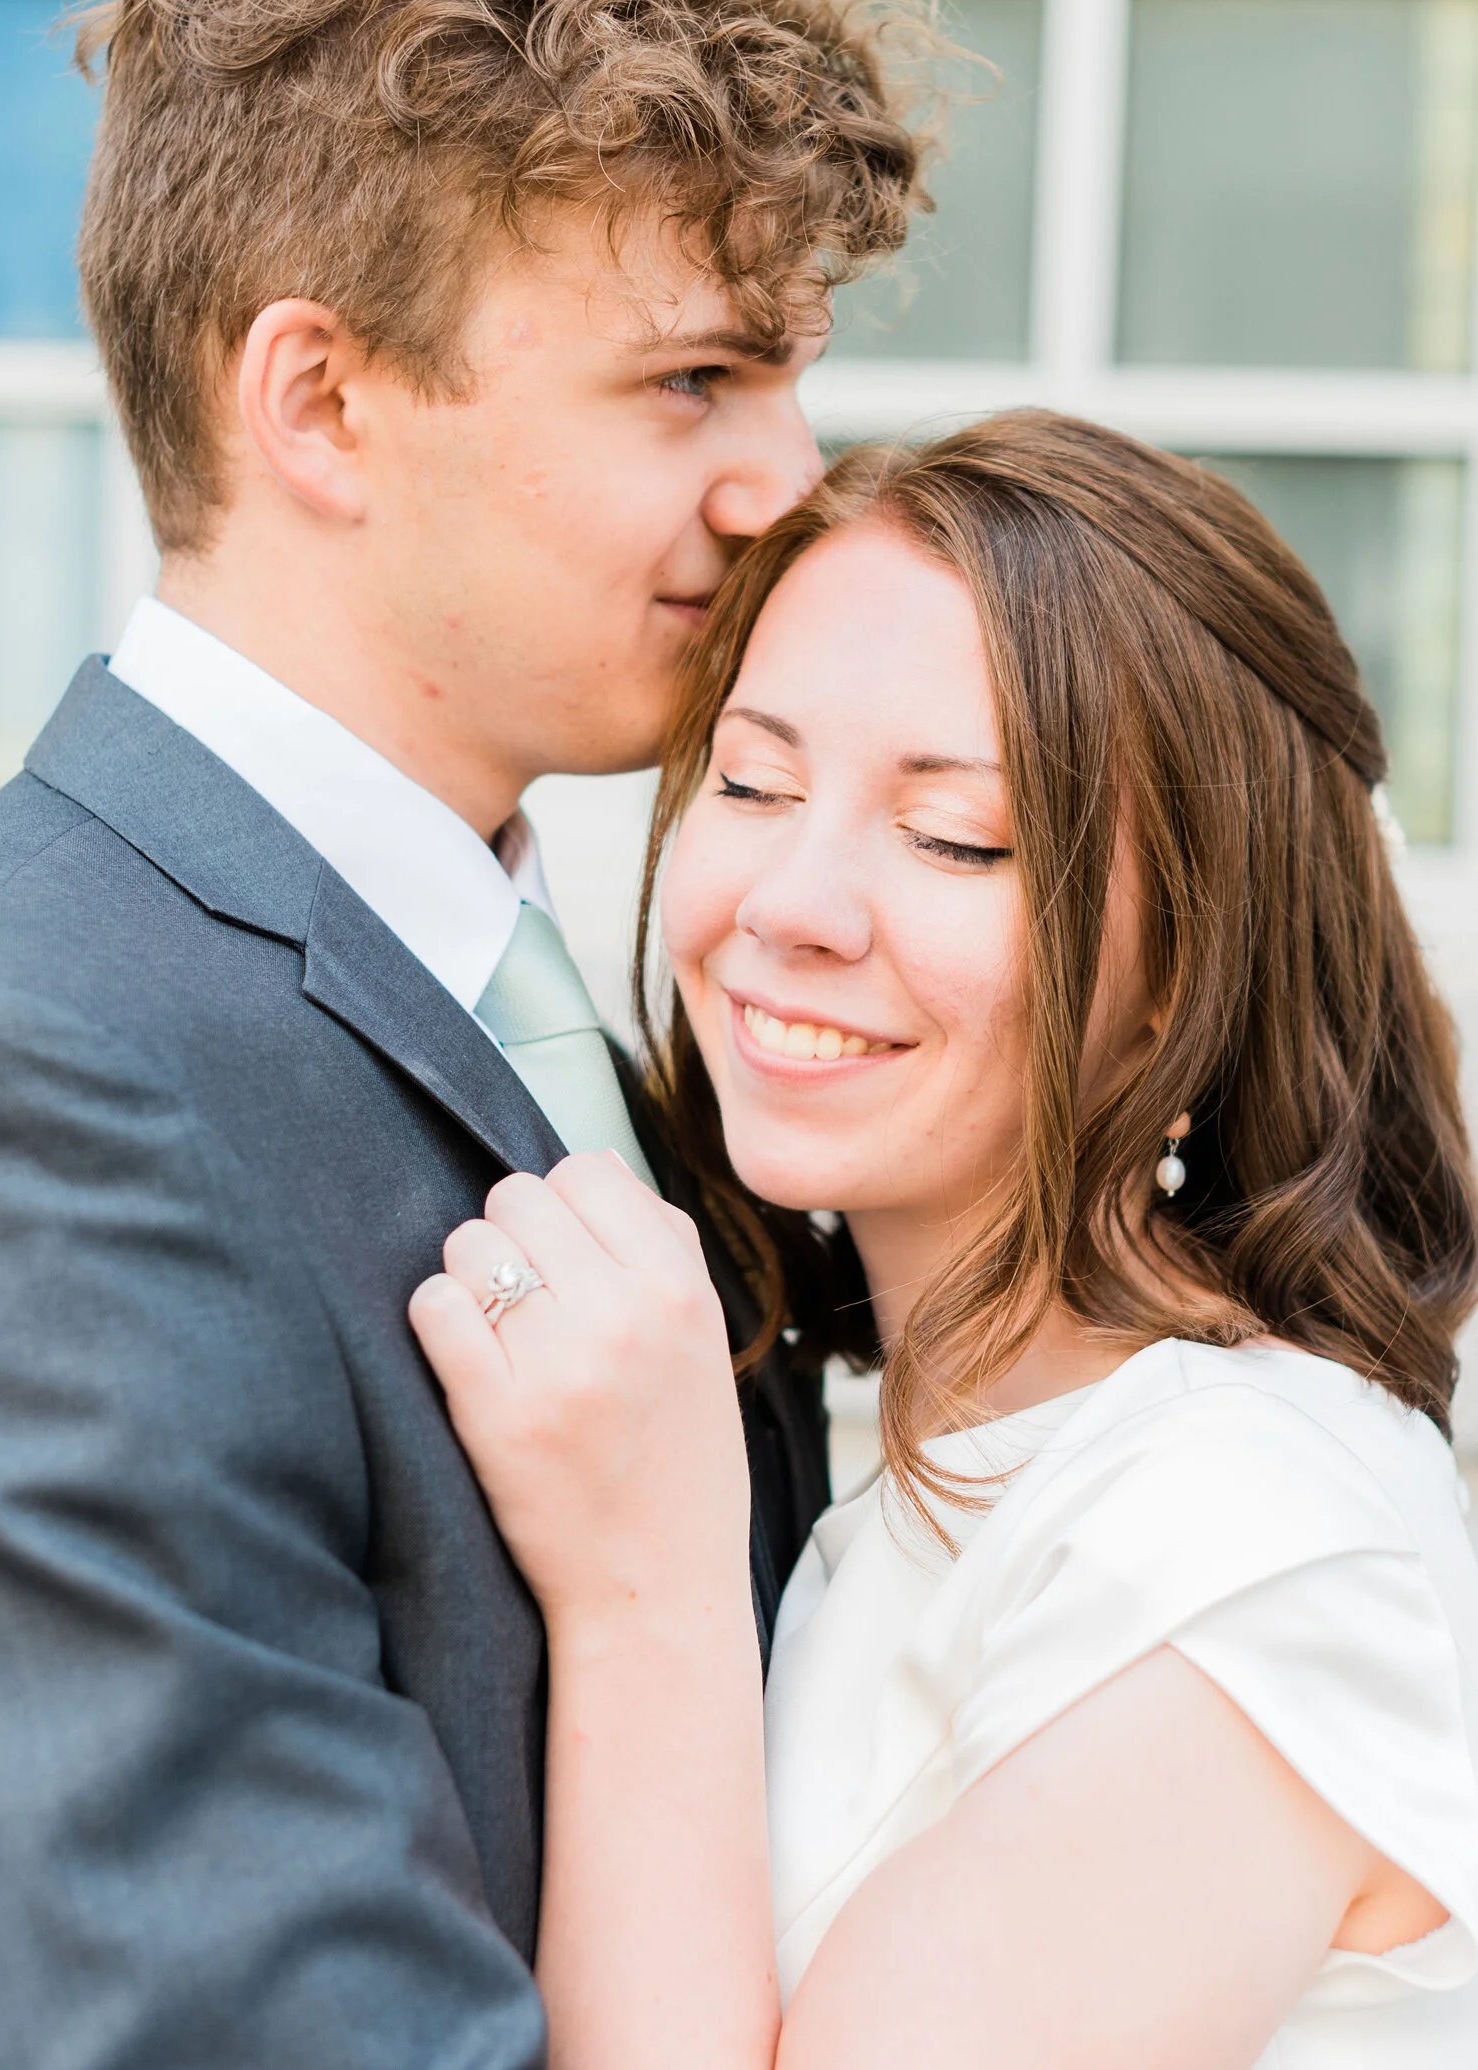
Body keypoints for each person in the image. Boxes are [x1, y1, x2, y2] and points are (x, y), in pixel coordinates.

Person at [0, 0, 931, 2066]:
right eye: (689, 380)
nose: (787, 479)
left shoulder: (544, 974)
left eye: (790, 377)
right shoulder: (46, 1071)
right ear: (320, 404)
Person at [412, 410, 1478, 2070]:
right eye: (753, 782)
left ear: (1188, 972)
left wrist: (648, 1596)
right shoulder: (943, 1463)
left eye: (955, 835)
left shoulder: (1251, 1539)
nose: (791, 903)